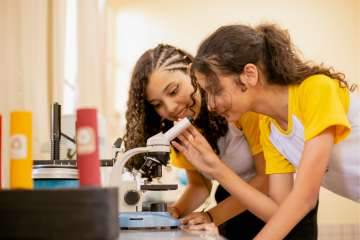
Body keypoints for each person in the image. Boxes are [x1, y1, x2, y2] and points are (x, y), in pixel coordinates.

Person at [172, 22, 359, 240]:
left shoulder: (316, 89)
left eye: (214, 90)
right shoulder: (269, 126)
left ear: (249, 75)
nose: (210, 105)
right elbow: (277, 211)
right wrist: (215, 168)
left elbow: (305, 199)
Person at [123, 44, 270, 239]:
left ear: (192, 72)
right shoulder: (179, 133)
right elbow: (199, 186)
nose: (170, 107)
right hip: (232, 207)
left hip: (276, 202)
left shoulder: (238, 106)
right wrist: (175, 211)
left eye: (174, 91)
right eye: (157, 104)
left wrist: (211, 215)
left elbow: (267, 178)